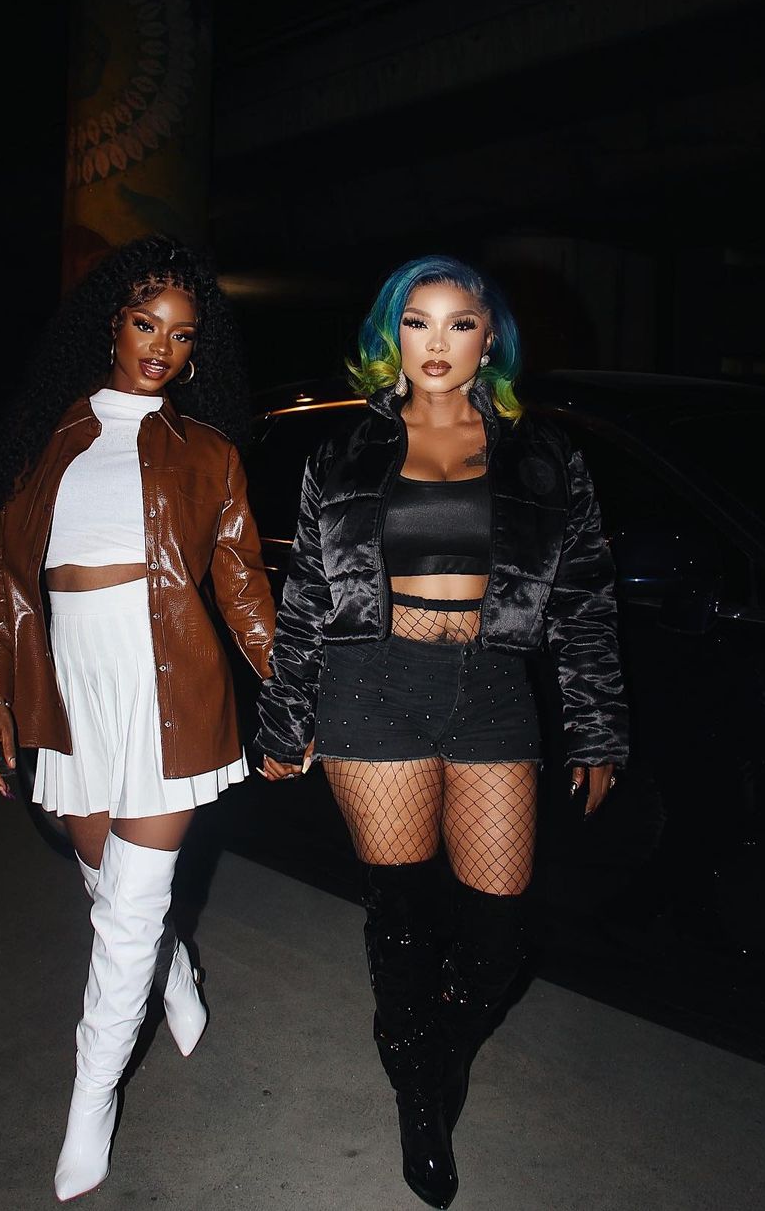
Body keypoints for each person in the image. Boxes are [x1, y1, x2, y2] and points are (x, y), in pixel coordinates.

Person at [256, 255, 627, 1209]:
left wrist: (595, 730)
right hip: (372, 685)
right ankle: (422, 1105)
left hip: (494, 687)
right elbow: (306, 597)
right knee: (403, 916)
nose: (436, 342)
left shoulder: (543, 455)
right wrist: (285, 718)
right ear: (394, 334)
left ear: (488, 338)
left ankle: (429, 1051)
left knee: (503, 929)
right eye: (417, 321)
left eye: (459, 323)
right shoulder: (344, 452)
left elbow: (585, 600)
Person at [0, 234, 274, 1203]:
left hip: (169, 690)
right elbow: (6, 581)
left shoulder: (210, 454)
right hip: (68, 687)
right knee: (110, 885)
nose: (162, 348)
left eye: (182, 336)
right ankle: (173, 969)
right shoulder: (45, 440)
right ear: (114, 324)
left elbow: (244, 590)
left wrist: (296, 689)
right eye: (148, 324)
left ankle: (89, 1105)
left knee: (126, 914)